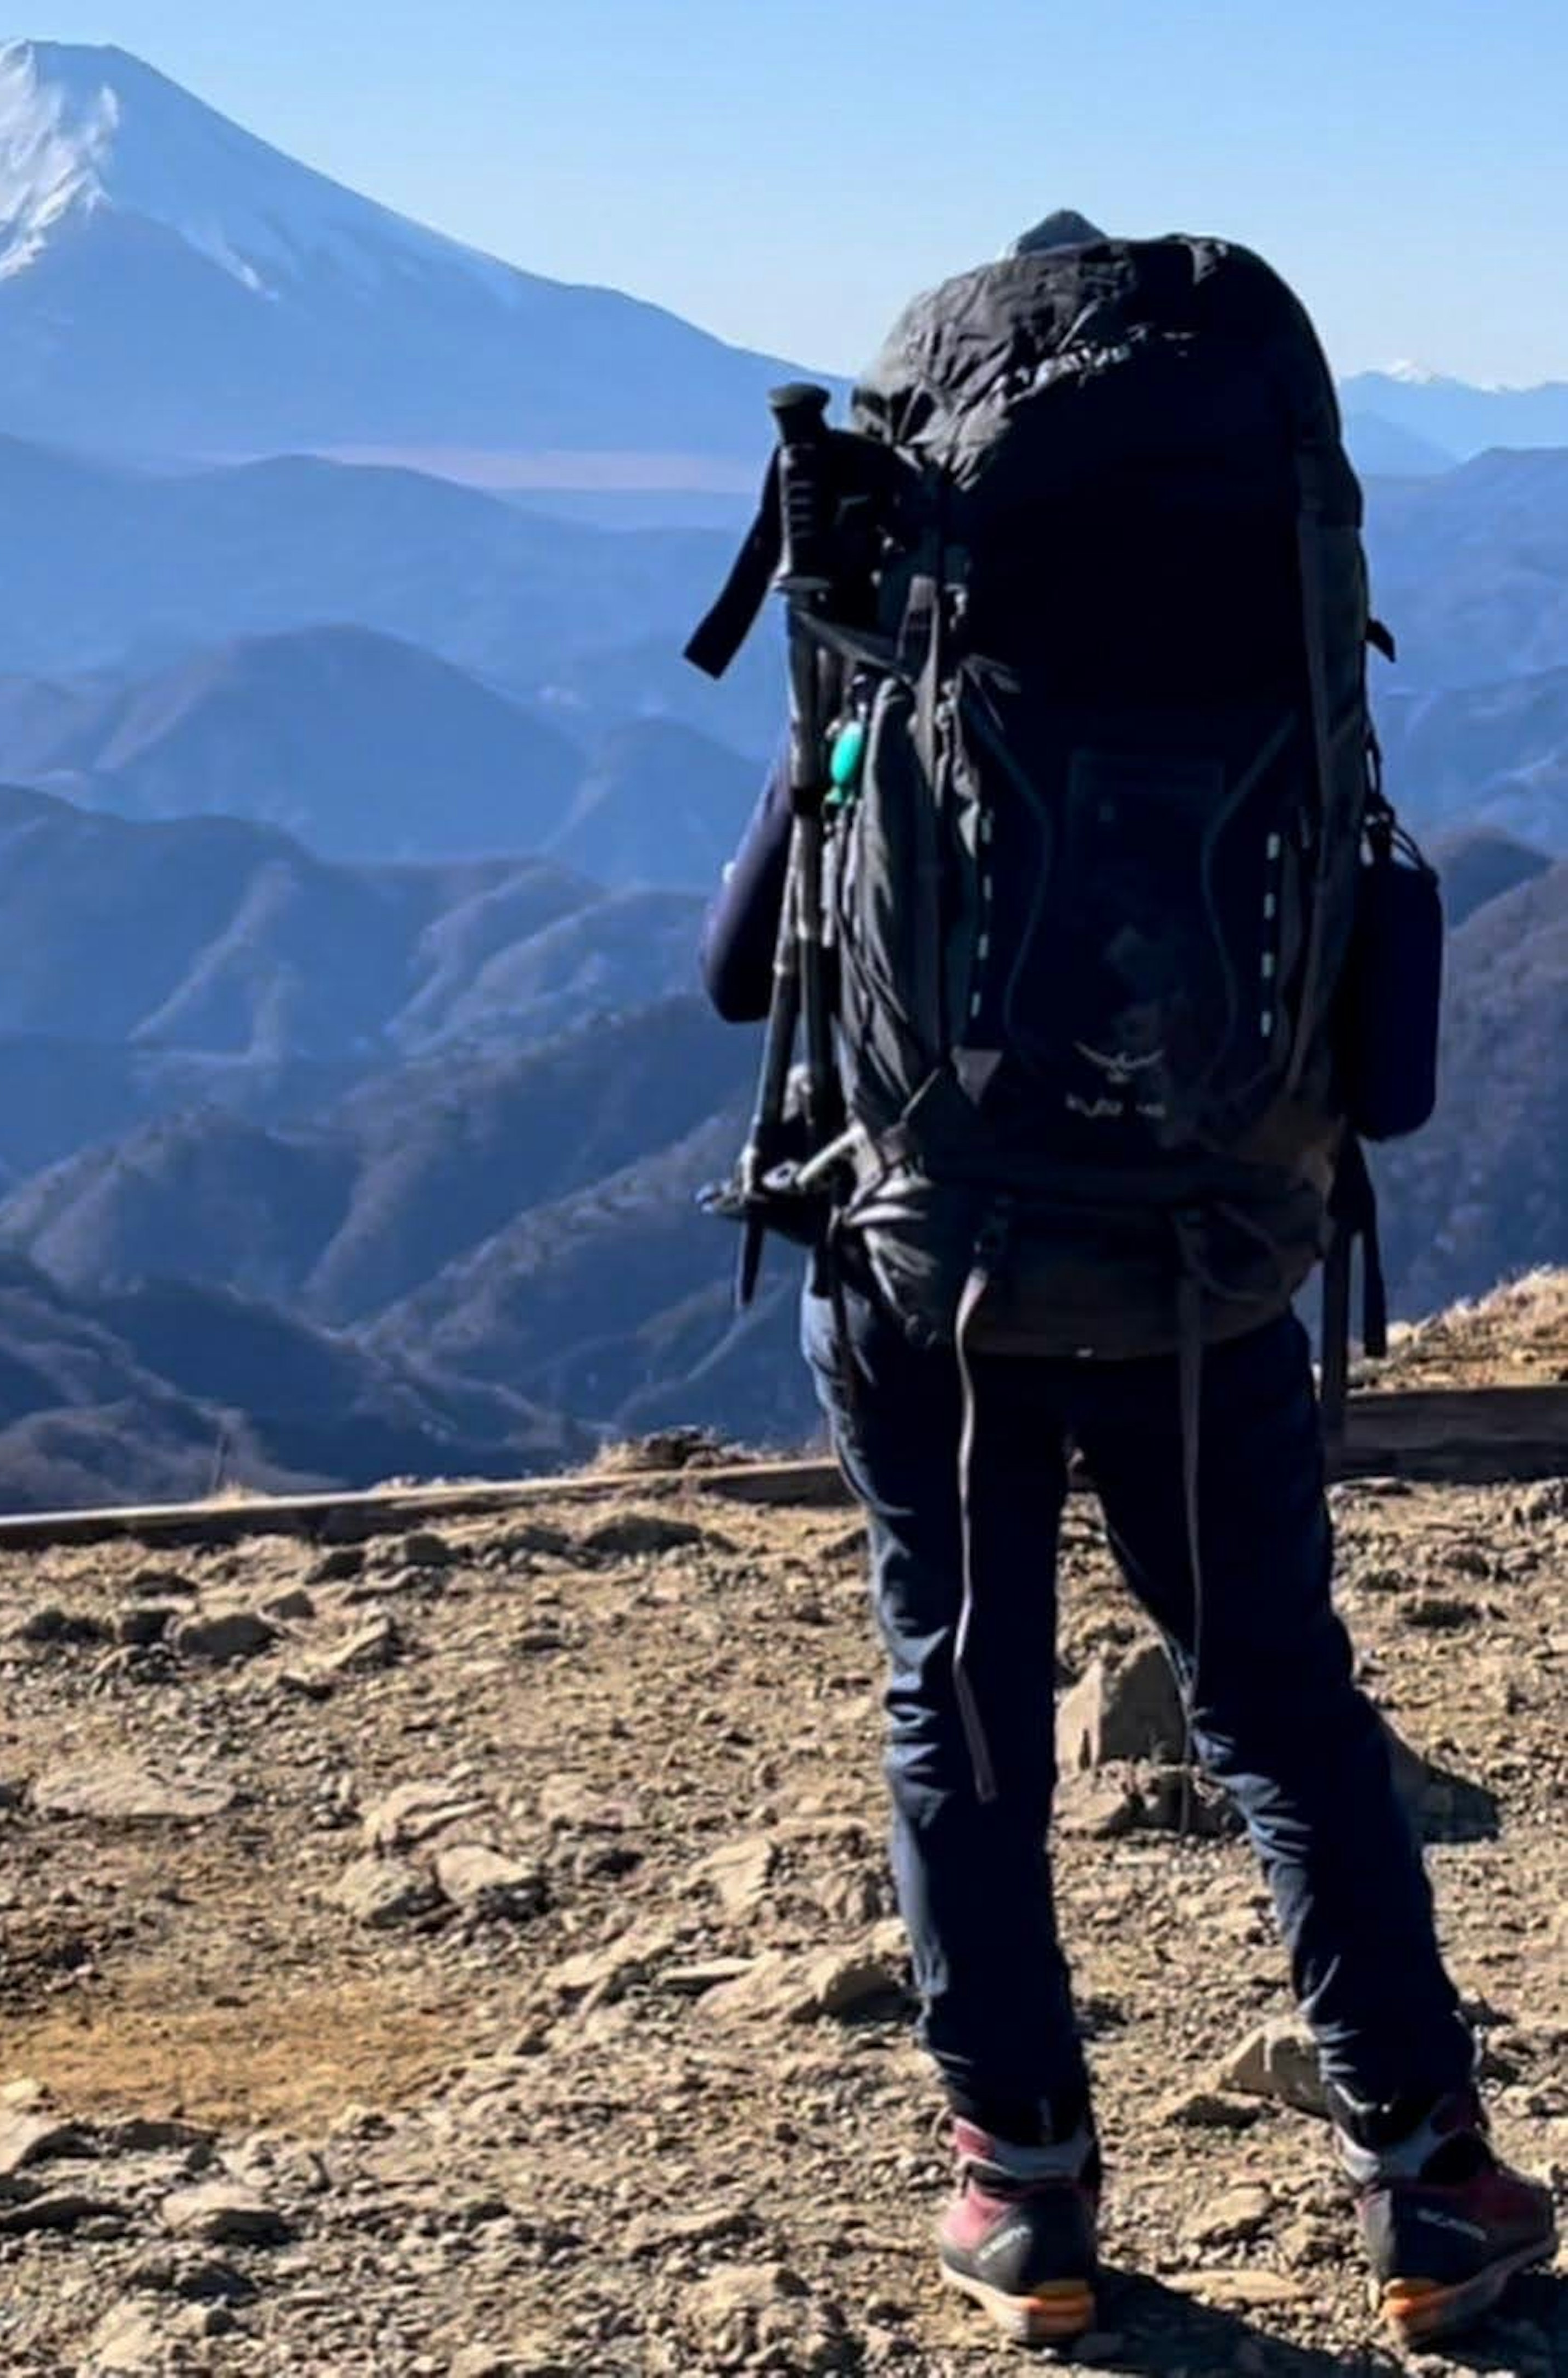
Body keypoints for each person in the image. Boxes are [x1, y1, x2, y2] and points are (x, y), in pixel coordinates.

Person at [698, 214, 1556, 2351]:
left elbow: (742, 982)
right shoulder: (1271, 636)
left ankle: (1029, 2196)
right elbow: (1400, 1067)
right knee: (1277, 1694)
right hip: (1214, 1269)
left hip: (936, 1277)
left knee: (965, 1711)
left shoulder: (897, 680)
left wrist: (826, 737)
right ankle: (1432, 2178)